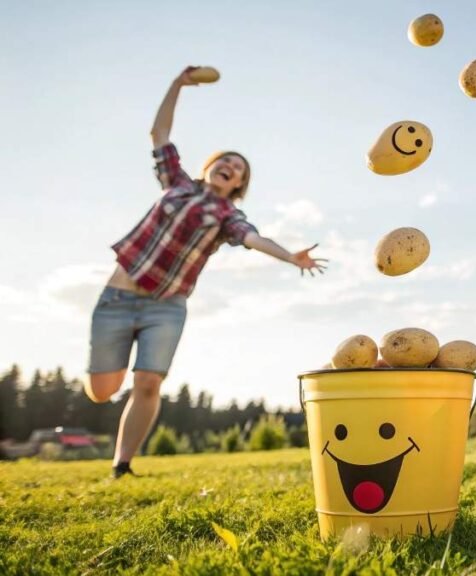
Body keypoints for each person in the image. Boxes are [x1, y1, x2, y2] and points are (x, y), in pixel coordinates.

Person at [85, 66, 328, 478]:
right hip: (117, 299)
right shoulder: (176, 183)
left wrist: (291, 257)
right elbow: (158, 134)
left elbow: (253, 239)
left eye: (239, 170)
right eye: (226, 161)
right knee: (102, 392)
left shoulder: (228, 215)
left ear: (238, 186)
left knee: (147, 383)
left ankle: (121, 465)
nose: (231, 167)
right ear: (212, 165)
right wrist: (176, 84)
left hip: (167, 307)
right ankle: (110, 395)